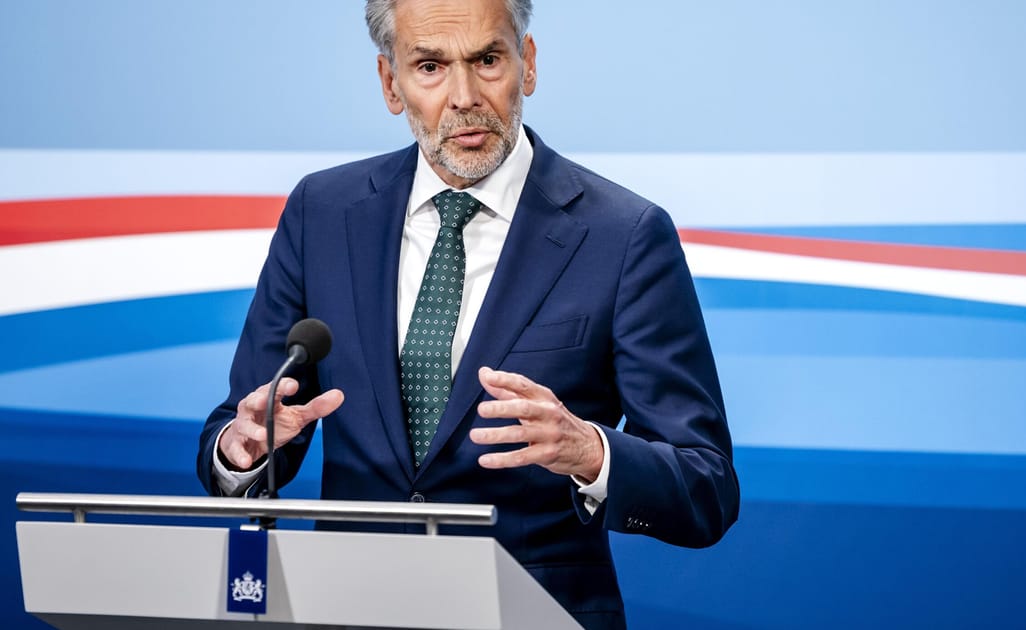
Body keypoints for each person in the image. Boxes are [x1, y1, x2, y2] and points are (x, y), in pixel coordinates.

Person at [196, 1, 739, 627]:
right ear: (390, 83)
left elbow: (706, 487)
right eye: (429, 66)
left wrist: (590, 452)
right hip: (347, 607)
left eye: (487, 60)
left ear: (526, 64)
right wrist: (242, 452)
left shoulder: (624, 236)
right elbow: (241, 426)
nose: (464, 97)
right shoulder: (322, 213)